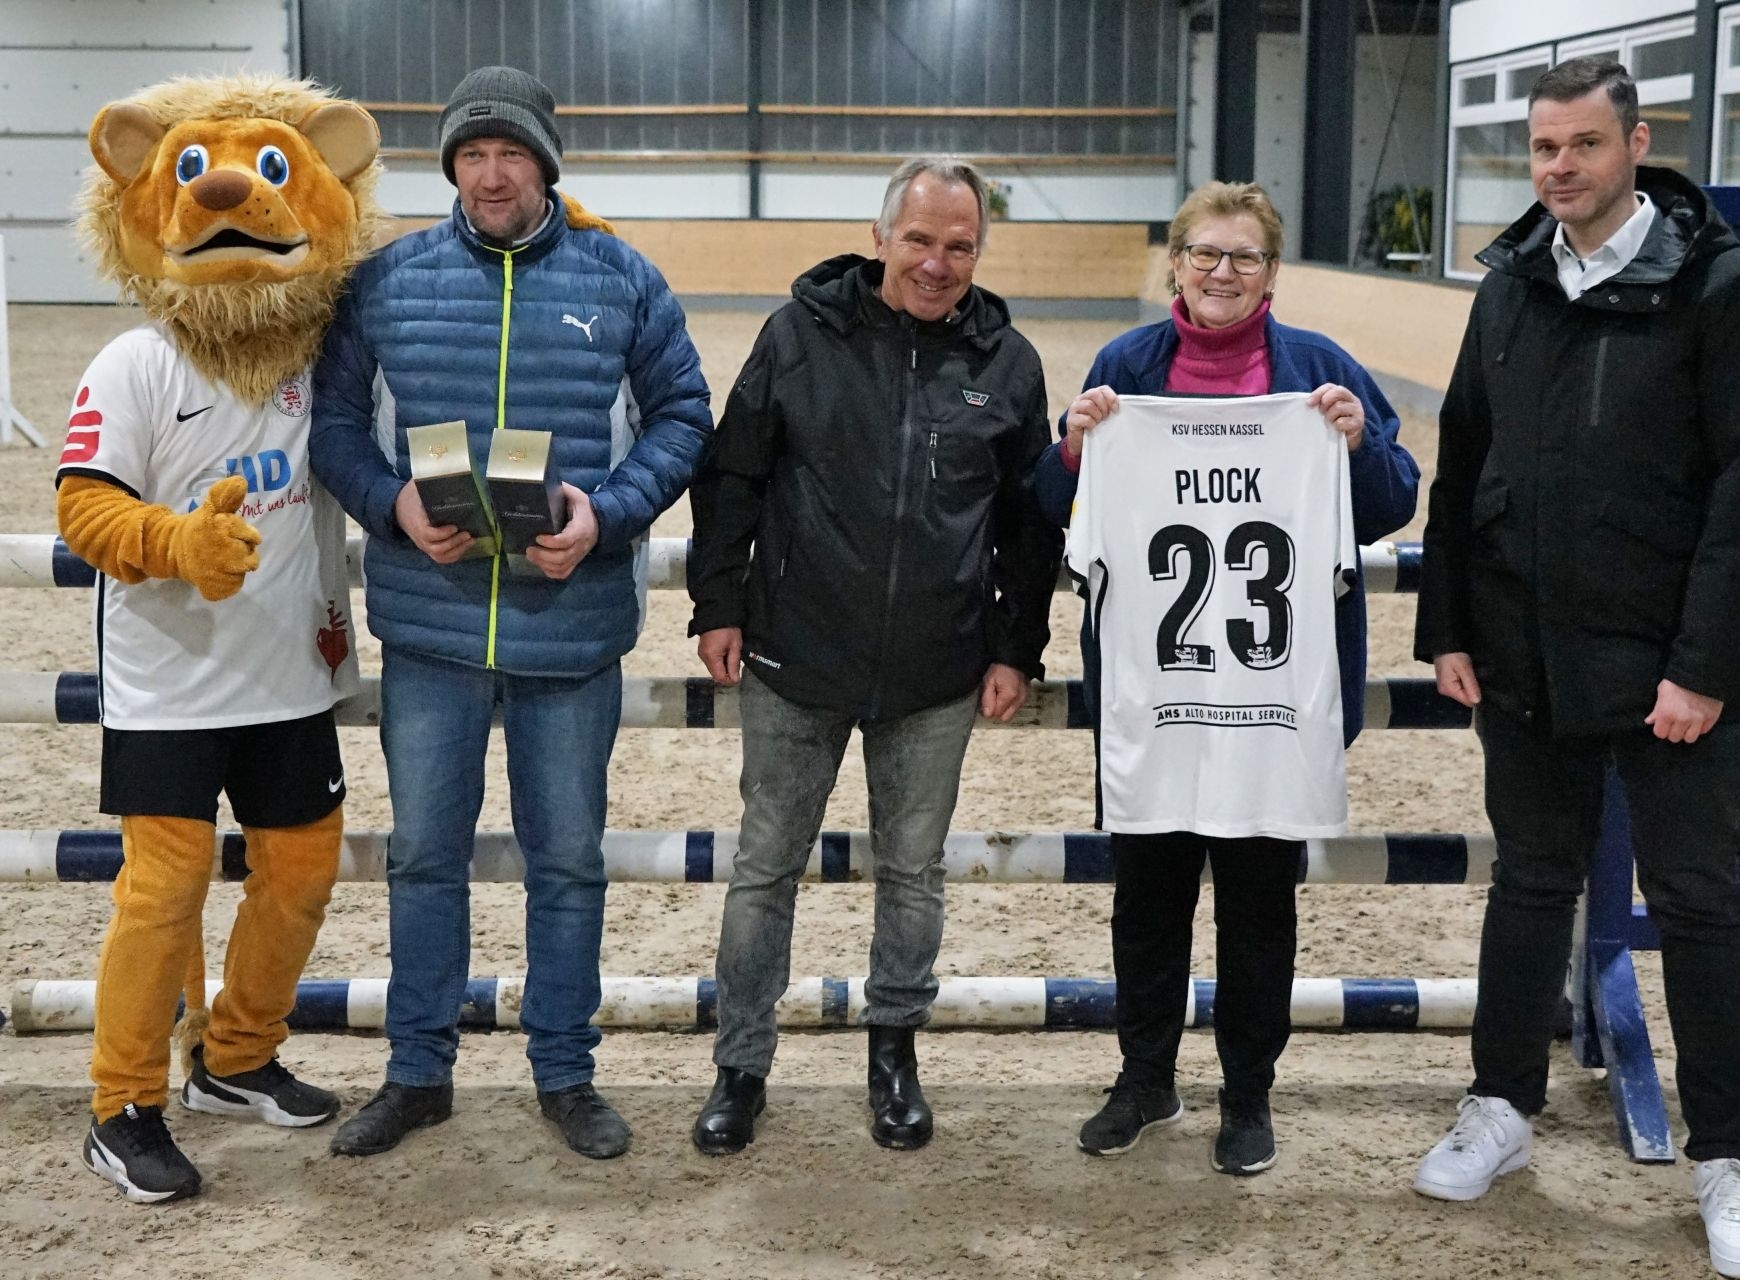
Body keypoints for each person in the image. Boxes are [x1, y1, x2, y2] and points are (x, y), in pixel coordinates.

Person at [1411, 56, 1740, 1280]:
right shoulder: (1511, 283)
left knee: (1698, 900)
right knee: (1531, 881)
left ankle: (1727, 1156)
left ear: (1637, 143)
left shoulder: (1725, 288)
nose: (1560, 167)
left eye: (1583, 144)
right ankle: (1499, 1105)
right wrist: (1449, 625)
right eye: (1543, 147)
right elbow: (1463, 456)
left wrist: (1703, 665)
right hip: (1523, 651)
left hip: (1669, 667)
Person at [309, 65, 712, 1161]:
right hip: (431, 630)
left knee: (567, 862)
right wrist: (390, 503)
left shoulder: (623, 279)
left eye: (512, 153)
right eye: (473, 155)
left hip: (569, 634)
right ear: (452, 166)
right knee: (423, 858)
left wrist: (607, 515)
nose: (492, 175)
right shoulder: (387, 281)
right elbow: (333, 422)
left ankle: (566, 1073)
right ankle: (417, 1071)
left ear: (546, 164)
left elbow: (684, 415)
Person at [1030, 180, 1420, 1175]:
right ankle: (1145, 1077)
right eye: (1205, 252)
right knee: (1147, 901)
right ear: (1176, 261)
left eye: (1245, 256)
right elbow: (1050, 503)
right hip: (1155, 693)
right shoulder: (1125, 366)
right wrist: (1074, 444)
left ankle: (1248, 1093)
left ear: (1272, 271)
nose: (1222, 271)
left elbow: (1390, 504)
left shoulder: (1321, 369)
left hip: (1273, 699)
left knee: (1259, 907)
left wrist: (1356, 442)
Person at [685, 155, 1063, 1156]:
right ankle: (740, 1065)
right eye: (921, 240)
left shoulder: (1011, 365)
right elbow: (733, 476)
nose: (937, 263)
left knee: (913, 873)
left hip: (938, 674)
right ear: (881, 236)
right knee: (765, 869)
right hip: (794, 657)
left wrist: (1015, 647)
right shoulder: (796, 336)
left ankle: (893, 1055)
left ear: (978, 251)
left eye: (960, 245)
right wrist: (718, 604)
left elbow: (1030, 528)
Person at [58, 73, 382, 1204]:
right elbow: (83, 507)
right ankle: (122, 1104)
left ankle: (236, 1056)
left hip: (291, 674)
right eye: (195, 172)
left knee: (301, 871)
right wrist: (174, 542)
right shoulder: (135, 362)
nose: (234, 194)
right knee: (163, 891)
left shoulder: (325, 362)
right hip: (170, 684)